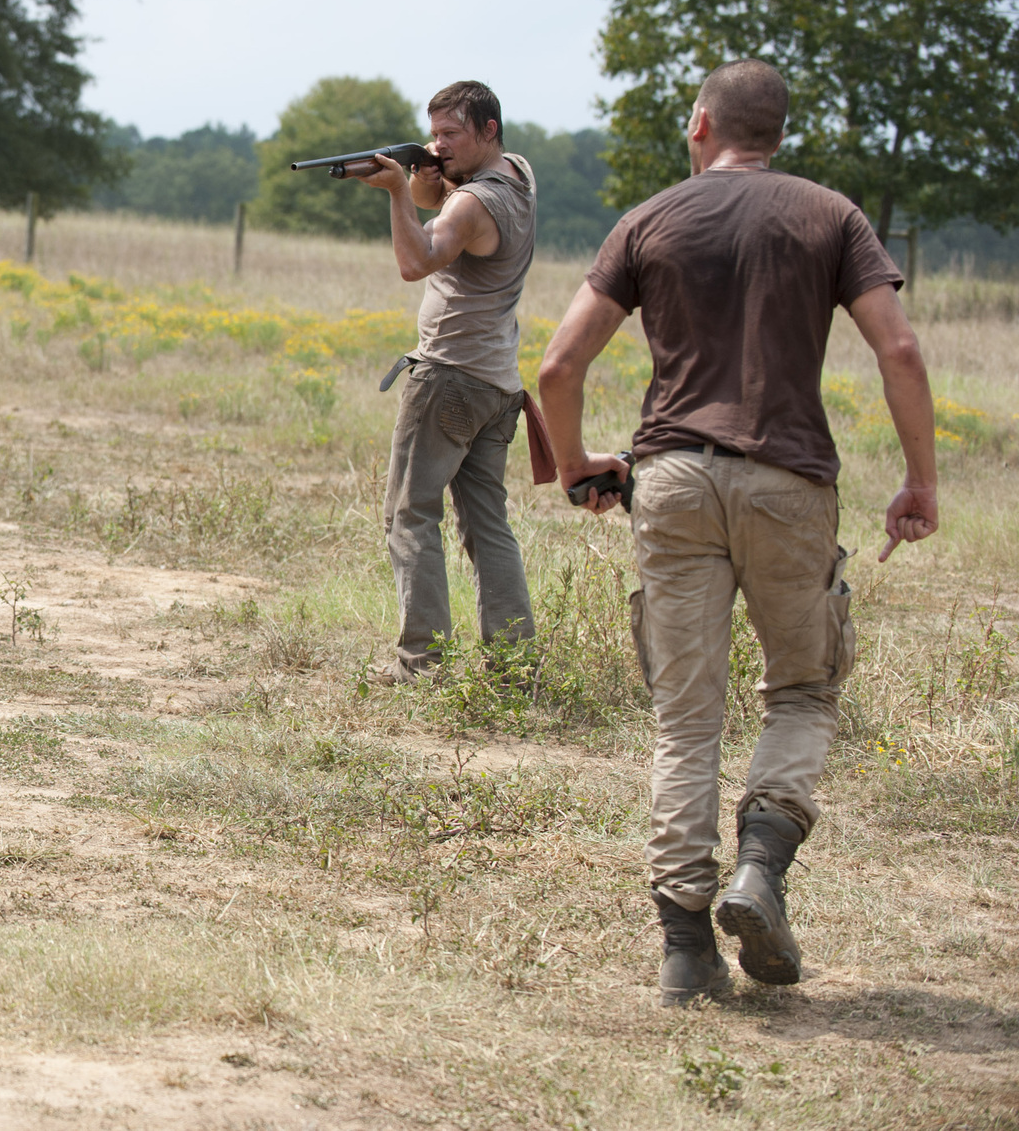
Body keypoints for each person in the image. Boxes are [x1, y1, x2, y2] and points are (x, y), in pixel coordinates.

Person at [537, 58, 938, 1006]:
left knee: (687, 719)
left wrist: (577, 466)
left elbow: (558, 365)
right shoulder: (831, 216)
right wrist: (919, 479)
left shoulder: (649, 219)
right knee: (801, 690)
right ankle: (762, 865)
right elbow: (901, 348)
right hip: (789, 483)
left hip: (670, 481)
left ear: (701, 124)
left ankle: (684, 951)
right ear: (777, 134)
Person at [351, 81, 537, 682]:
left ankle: (422, 665)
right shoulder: (519, 176)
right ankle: (513, 666)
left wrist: (398, 193)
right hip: (496, 381)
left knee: (410, 515)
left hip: (450, 377)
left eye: (451, 134)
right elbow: (444, 197)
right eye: (432, 135)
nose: (439, 144)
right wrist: (427, 172)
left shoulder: (472, 204)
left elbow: (415, 261)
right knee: (487, 524)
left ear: (487, 130)